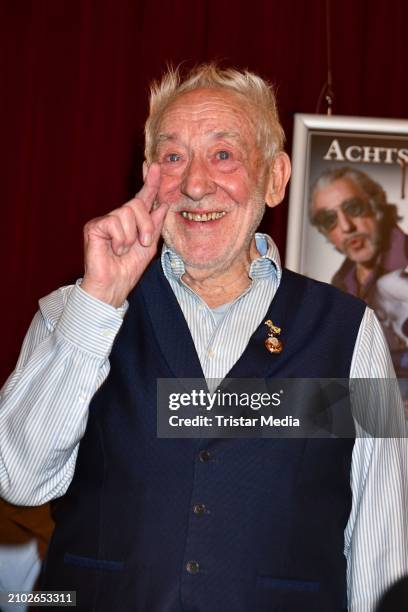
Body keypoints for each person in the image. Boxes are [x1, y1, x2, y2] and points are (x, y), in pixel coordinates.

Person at [0, 64, 406, 612]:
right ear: (148, 176)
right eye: (172, 157)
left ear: (275, 177)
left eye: (223, 155)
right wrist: (100, 303)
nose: (194, 184)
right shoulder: (73, 311)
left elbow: (382, 541)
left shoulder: (351, 333)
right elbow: (20, 482)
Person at [310, 167, 408, 378]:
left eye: (353, 208)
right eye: (329, 220)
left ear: (376, 206)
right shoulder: (338, 286)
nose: (346, 227)